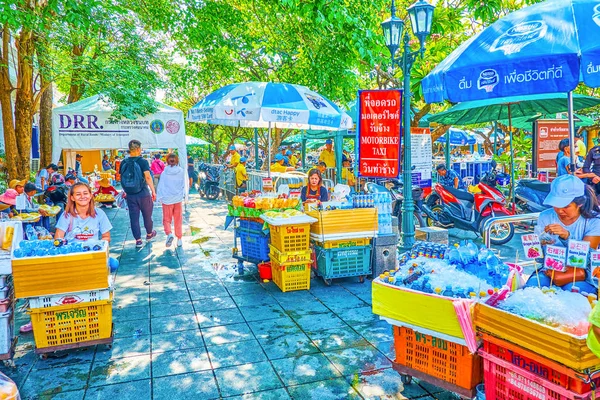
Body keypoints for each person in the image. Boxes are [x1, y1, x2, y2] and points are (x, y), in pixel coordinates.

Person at [526, 174, 600, 293]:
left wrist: (567, 237)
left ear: (580, 203)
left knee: (571, 294)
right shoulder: (545, 216)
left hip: (581, 274)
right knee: (531, 291)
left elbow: (586, 258)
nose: (560, 210)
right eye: (556, 204)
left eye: (566, 206)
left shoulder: (594, 221)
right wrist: (537, 246)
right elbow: (540, 258)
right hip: (549, 271)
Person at [119, 140, 157, 248]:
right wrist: (153, 191)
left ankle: (138, 240)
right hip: (143, 193)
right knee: (147, 216)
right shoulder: (143, 161)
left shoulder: (123, 162)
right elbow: (148, 177)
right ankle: (149, 235)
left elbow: (121, 178)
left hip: (130, 195)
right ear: (138, 149)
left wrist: (125, 190)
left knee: (134, 218)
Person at [157, 153, 185, 248]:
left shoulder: (164, 173)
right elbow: (184, 184)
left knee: (166, 219)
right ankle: (179, 239)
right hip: (178, 199)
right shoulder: (181, 171)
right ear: (177, 160)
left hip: (167, 199)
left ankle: (169, 234)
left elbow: (161, 186)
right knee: (178, 219)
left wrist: (159, 197)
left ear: (167, 161)